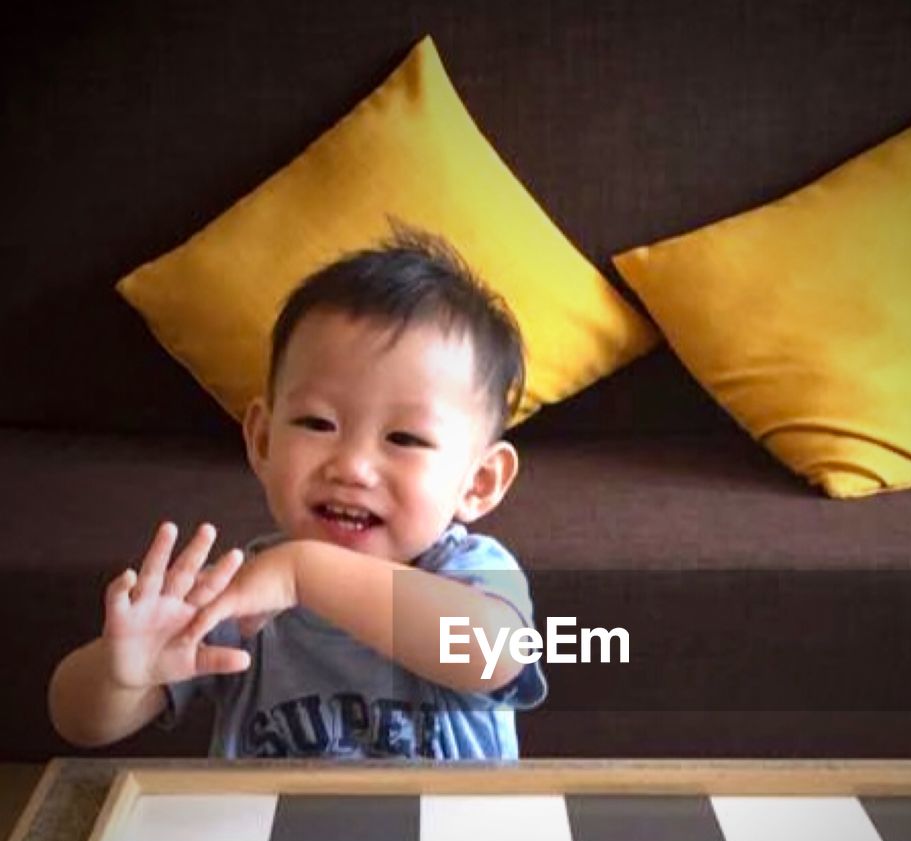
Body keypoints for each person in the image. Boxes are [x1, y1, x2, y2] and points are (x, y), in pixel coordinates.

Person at [48, 227, 547, 759]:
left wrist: (303, 573)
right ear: (263, 440)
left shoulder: (472, 573)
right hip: (267, 839)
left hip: (451, 840)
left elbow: (493, 657)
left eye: (404, 438)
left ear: (479, 482)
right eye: (316, 423)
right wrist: (122, 673)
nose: (352, 466)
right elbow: (76, 722)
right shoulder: (240, 596)